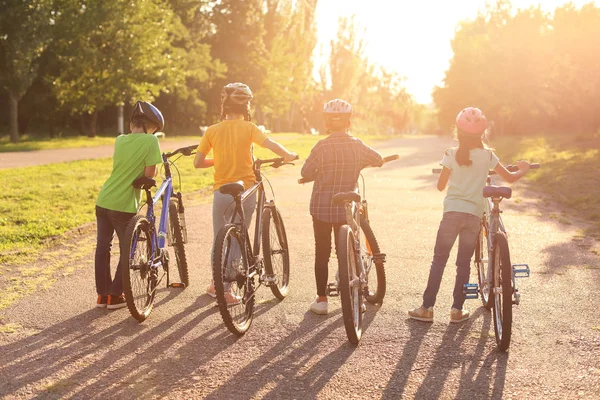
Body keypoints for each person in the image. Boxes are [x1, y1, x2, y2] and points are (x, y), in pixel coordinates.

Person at [408, 107, 531, 323]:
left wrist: (451, 173)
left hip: (451, 214)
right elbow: (510, 177)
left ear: (458, 132)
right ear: (482, 133)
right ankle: (457, 310)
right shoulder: (488, 156)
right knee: (463, 263)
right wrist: (524, 168)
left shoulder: (450, 154)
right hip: (473, 216)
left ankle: (427, 308)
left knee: (439, 261)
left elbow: (440, 186)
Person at [194, 82, 297, 303]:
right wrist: (288, 154)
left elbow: (198, 162)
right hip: (245, 191)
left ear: (224, 105)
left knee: (220, 237)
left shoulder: (212, 130)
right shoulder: (249, 128)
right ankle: (228, 289)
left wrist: (220, 159)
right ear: (246, 107)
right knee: (238, 237)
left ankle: (215, 284)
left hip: (221, 191)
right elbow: (270, 144)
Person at [301, 99, 383, 315]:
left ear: (327, 123)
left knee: (322, 252)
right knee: (348, 251)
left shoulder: (321, 146)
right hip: (346, 209)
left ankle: (321, 300)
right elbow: (378, 159)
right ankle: (355, 294)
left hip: (322, 207)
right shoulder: (357, 145)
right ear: (349, 122)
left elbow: (305, 172)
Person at [95, 101, 164, 309]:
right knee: (128, 250)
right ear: (150, 127)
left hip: (104, 200)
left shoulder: (120, 140)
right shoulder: (151, 141)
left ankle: (103, 295)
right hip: (123, 204)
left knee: (103, 248)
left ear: (132, 123)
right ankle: (116, 296)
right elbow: (149, 174)